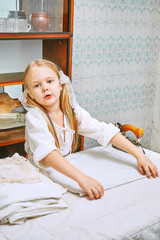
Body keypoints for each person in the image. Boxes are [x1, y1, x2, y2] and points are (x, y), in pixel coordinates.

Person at [19, 59, 159, 200]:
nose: (45, 88)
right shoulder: (35, 117)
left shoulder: (72, 111)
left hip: (64, 168)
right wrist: (82, 178)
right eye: (37, 85)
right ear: (29, 94)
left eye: (50, 81)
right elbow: (48, 154)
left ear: (61, 84)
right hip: (40, 172)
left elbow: (102, 130)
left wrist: (139, 156)